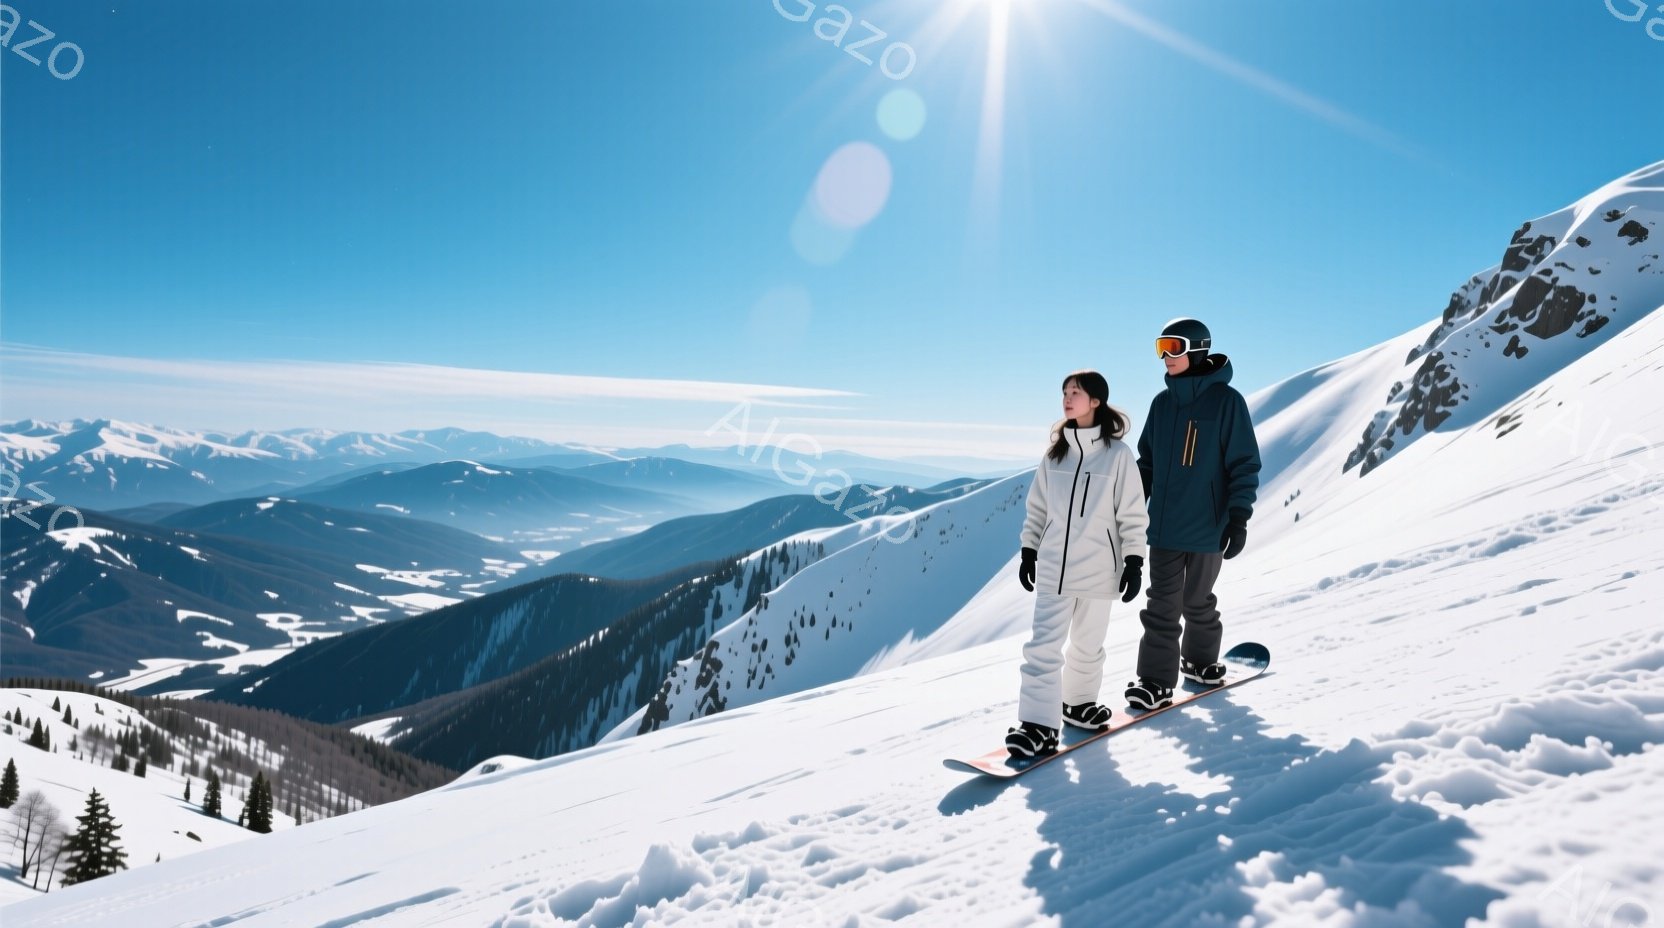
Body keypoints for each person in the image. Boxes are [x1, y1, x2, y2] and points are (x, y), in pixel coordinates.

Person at [1008, 370, 1150, 758]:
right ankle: (1038, 725)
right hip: (1054, 567)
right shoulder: (1055, 454)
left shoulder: (1118, 456)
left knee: (1088, 646)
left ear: (1096, 401)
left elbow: (1132, 514)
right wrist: (1029, 550)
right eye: (1065, 392)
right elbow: (1037, 509)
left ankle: (1078, 704)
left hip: (1099, 568)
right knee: (1042, 647)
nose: (1067, 398)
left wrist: (1134, 559)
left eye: (1076, 392)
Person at [1125, 318, 1262, 711]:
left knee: (1197, 600)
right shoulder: (1162, 404)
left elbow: (1243, 463)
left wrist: (1238, 517)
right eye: (1160, 348)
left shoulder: (1226, 402)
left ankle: (1200, 662)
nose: (1166, 356)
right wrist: (1131, 504)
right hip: (1165, 527)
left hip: (1208, 527)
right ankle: (1154, 681)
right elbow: (1147, 463)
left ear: (1197, 349)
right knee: (1161, 605)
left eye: (1174, 346)